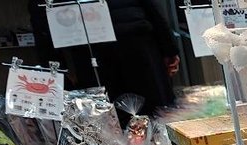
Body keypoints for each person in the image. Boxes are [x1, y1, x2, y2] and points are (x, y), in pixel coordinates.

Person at [27, 0, 180, 114]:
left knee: (107, 121)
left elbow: (41, 21)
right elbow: (151, 7)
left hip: (88, 48)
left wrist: (57, 69)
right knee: (156, 114)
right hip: (135, 39)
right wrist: (169, 49)